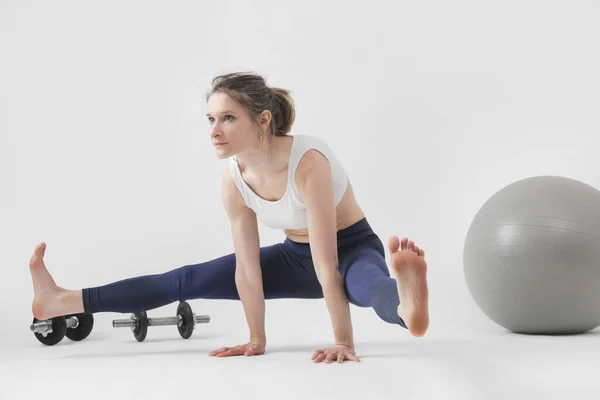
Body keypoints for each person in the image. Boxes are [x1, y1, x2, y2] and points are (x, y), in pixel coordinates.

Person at [28, 72, 429, 364]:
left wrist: (343, 342)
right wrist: (257, 339)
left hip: (351, 249)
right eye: (210, 120)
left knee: (367, 285)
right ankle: (63, 301)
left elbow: (328, 268)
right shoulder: (234, 181)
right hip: (294, 257)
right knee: (186, 279)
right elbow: (248, 270)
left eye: (228, 118)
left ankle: (406, 309)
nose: (214, 131)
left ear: (263, 120)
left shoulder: (308, 164)